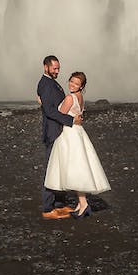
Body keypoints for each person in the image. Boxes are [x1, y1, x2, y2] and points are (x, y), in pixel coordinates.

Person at [43, 71, 110, 218]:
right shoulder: (80, 98)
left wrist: (43, 103)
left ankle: (84, 204)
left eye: (76, 84)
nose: (72, 85)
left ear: (82, 86)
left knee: (73, 168)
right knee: (80, 166)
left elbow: (59, 115)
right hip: (78, 132)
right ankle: (81, 204)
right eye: (71, 81)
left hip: (68, 134)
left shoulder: (69, 97)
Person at [37, 54, 80, 219]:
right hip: (53, 131)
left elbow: (56, 104)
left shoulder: (51, 83)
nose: (57, 71)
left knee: (60, 168)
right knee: (50, 170)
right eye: (54, 68)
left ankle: (59, 204)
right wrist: (71, 120)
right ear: (45, 67)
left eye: (58, 68)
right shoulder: (46, 84)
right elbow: (50, 111)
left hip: (58, 131)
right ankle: (48, 209)